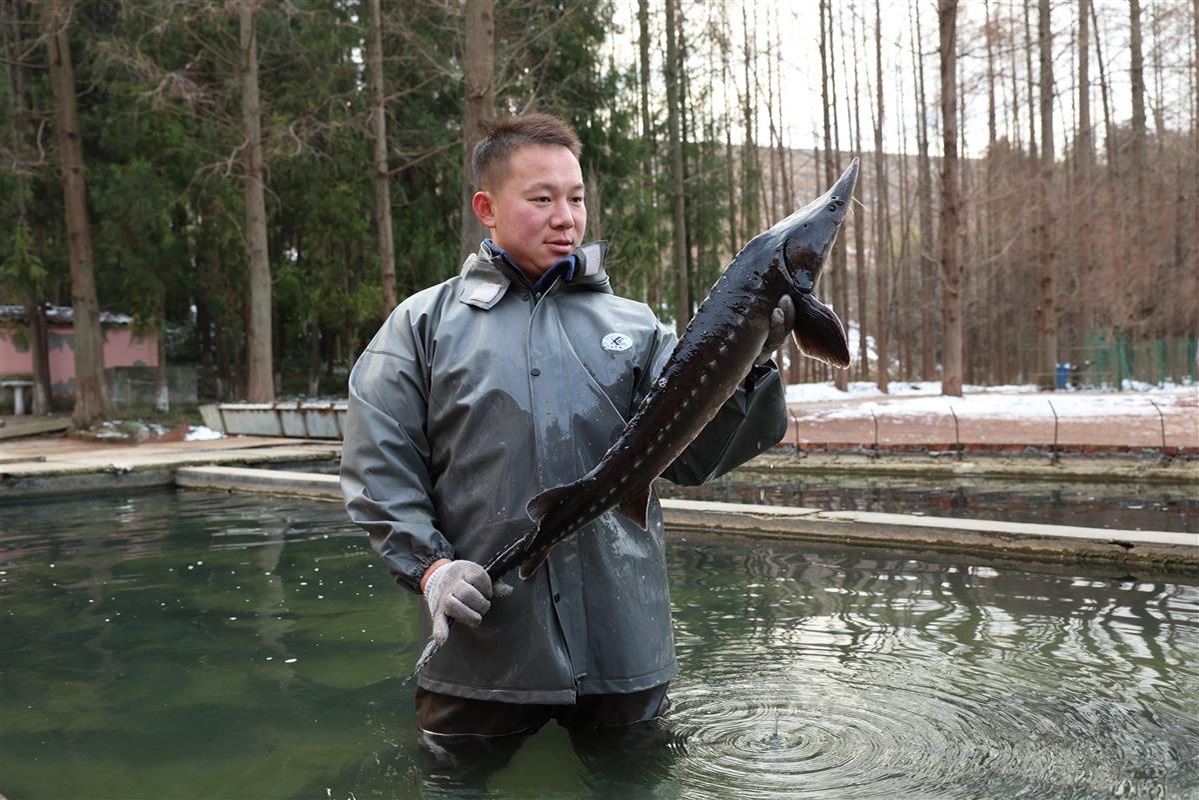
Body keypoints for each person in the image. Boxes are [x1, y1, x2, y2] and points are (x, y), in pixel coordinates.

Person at [339, 113, 790, 772]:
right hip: (482, 647)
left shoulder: (636, 328)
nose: (565, 217)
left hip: (621, 645)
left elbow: (694, 459)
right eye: (541, 198)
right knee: (448, 781)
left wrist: (746, 362)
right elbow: (377, 465)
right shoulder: (420, 325)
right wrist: (430, 568)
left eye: (575, 198)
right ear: (486, 208)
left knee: (635, 783)